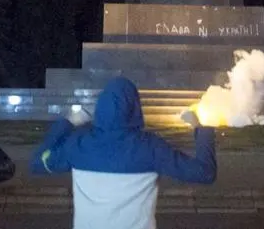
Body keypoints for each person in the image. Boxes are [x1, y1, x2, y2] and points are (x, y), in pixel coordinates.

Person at [30, 76, 217, 229]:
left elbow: (38, 162)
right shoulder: (151, 147)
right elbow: (205, 172)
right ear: (135, 108)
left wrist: (67, 123)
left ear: (101, 106)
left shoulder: (78, 144)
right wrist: (200, 128)